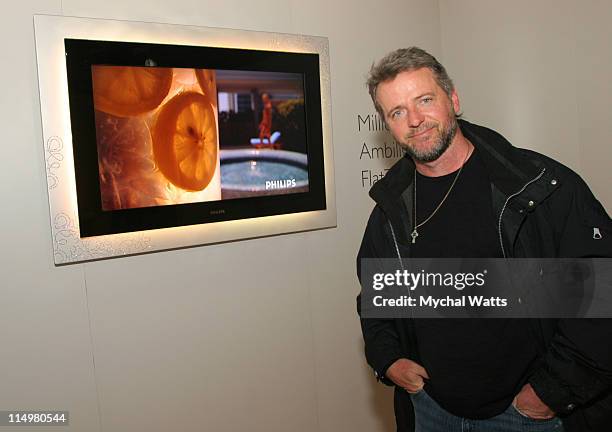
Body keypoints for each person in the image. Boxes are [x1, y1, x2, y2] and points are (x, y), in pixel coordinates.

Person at [356, 47, 612, 432]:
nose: (415, 120)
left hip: (526, 417)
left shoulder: (539, 188)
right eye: (397, 112)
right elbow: (377, 296)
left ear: (453, 99)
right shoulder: (392, 208)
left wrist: (549, 392)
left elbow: (601, 299)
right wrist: (388, 358)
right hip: (430, 410)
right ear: (387, 126)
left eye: (425, 100)